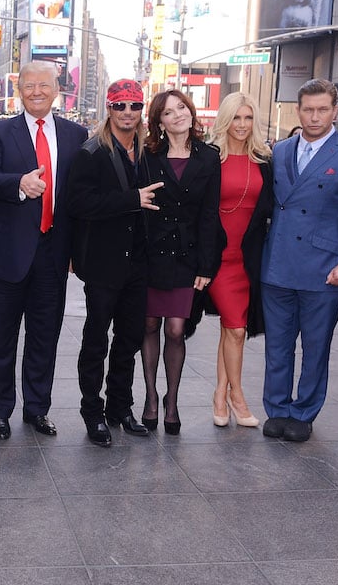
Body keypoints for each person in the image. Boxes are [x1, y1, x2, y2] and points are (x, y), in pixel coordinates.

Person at [260, 79, 338, 443]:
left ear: (335, 111)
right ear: (298, 110)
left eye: (322, 109)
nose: (314, 116)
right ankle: (277, 408)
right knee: (276, 346)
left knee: (315, 347)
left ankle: (304, 412)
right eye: (308, 109)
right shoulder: (280, 150)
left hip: (325, 270)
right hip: (277, 265)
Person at [0, 60, 87, 440]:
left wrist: (77, 251)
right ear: (18, 90)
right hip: (7, 255)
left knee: (44, 338)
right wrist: (20, 184)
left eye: (44, 85)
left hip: (53, 254)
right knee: (1, 342)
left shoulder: (77, 135)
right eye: (28, 86)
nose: (36, 91)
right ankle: (1, 412)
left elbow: (80, 196)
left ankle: (37, 410)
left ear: (57, 89)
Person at [66, 79, 160, 447]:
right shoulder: (91, 152)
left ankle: (120, 407)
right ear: (109, 108)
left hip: (139, 262)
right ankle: (93, 412)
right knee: (95, 341)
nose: (127, 113)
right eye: (120, 106)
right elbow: (79, 205)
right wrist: (130, 199)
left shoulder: (149, 151)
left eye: (135, 106)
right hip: (104, 263)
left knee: (130, 340)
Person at [137, 89, 220, 435]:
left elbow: (210, 214)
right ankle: (151, 397)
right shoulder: (147, 155)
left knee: (175, 329)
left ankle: (172, 399)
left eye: (181, 108)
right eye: (168, 112)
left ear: (191, 111)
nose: (177, 115)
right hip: (151, 254)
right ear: (159, 121)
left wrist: (206, 266)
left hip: (187, 256)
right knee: (150, 326)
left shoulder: (209, 157)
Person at [204, 92, 273, 429]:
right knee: (236, 328)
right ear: (225, 120)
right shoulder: (209, 158)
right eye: (236, 118)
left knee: (231, 331)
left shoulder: (264, 159)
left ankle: (219, 392)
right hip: (218, 258)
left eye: (248, 118)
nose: (242, 125)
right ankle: (237, 395)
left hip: (250, 258)